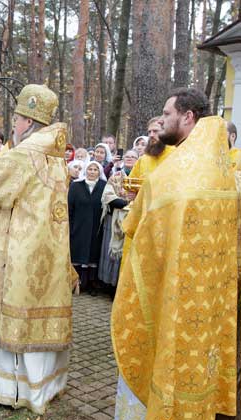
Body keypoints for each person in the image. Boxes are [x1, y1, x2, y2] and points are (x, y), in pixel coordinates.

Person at [112, 88, 237, 419]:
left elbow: (134, 226)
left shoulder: (171, 175)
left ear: (187, 117)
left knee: (164, 360)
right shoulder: (225, 173)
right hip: (210, 303)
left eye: (167, 114)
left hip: (170, 295)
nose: (162, 120)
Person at [0, 84, 77, 413]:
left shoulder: (25, 152)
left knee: (12, 319)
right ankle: (45, 384)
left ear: (27, 120)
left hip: (17, 251)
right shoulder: (56, 153)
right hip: (49, 251)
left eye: (16, 118)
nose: (13, 124)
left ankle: (9, 389)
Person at [68, 161, 107, 293]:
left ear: (99, 172)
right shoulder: (76, 185)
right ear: (85, 170)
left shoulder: (104, 186)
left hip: (96, 227)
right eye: (90, 169)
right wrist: (70, 226)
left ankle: (91, 282)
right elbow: (70, 207)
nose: (92, 172)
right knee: (77, 253)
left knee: (92, 254)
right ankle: (76, 282)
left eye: (95, 169)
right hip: (79, 226)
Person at [129, 117, 175, 182]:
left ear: (166, 132)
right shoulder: (143, 160)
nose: (151, 135)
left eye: (155, 131)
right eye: (149, 132)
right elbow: (131, 184)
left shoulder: (176, 155)